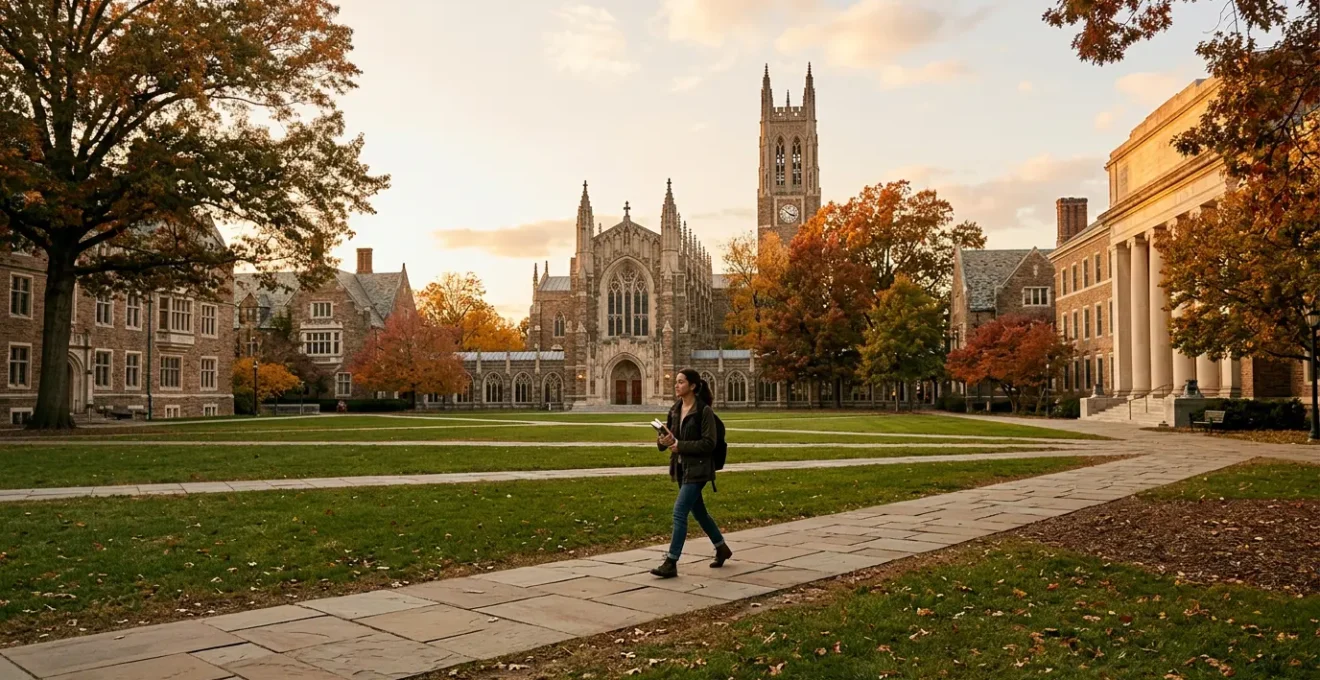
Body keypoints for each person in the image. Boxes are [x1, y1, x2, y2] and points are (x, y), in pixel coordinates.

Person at [652, 368, 732, 578]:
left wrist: (681, 445)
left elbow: (709, 443)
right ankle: (721, 547)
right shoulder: (676, 409)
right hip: (681, 468)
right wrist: (663, 441)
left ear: (692, 386)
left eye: (680, 382)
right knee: (699, 513)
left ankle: (671, 561)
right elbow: (669, 439)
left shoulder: (703, 411)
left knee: (679, 512)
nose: (676, 385)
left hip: (699, 469)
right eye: (676, 382)